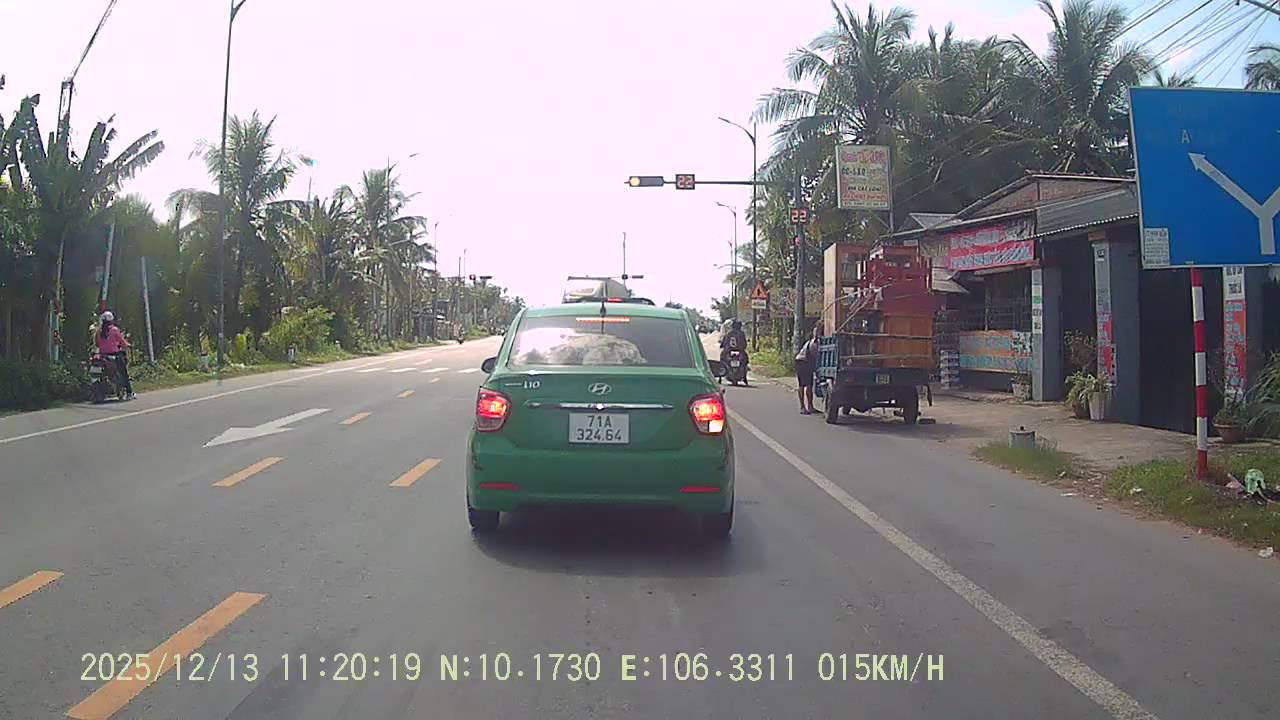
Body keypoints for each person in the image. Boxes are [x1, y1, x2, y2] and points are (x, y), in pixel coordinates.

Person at [96, 311, 135, 400]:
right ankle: (129, 392)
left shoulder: (99, 331)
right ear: (111, 320)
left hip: (103, 355)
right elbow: (122, 342)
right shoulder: (114, 330)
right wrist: (127, 345)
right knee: (124, 373)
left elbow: (97, 344)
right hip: (114, 355)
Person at [795, 324, 821, 414]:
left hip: (807, 363)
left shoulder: (817, 343)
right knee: (802, 385)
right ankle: (802, 407)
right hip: (802, 362)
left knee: (809, 385)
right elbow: (816, 357)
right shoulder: (814, 343)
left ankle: (810, 406)